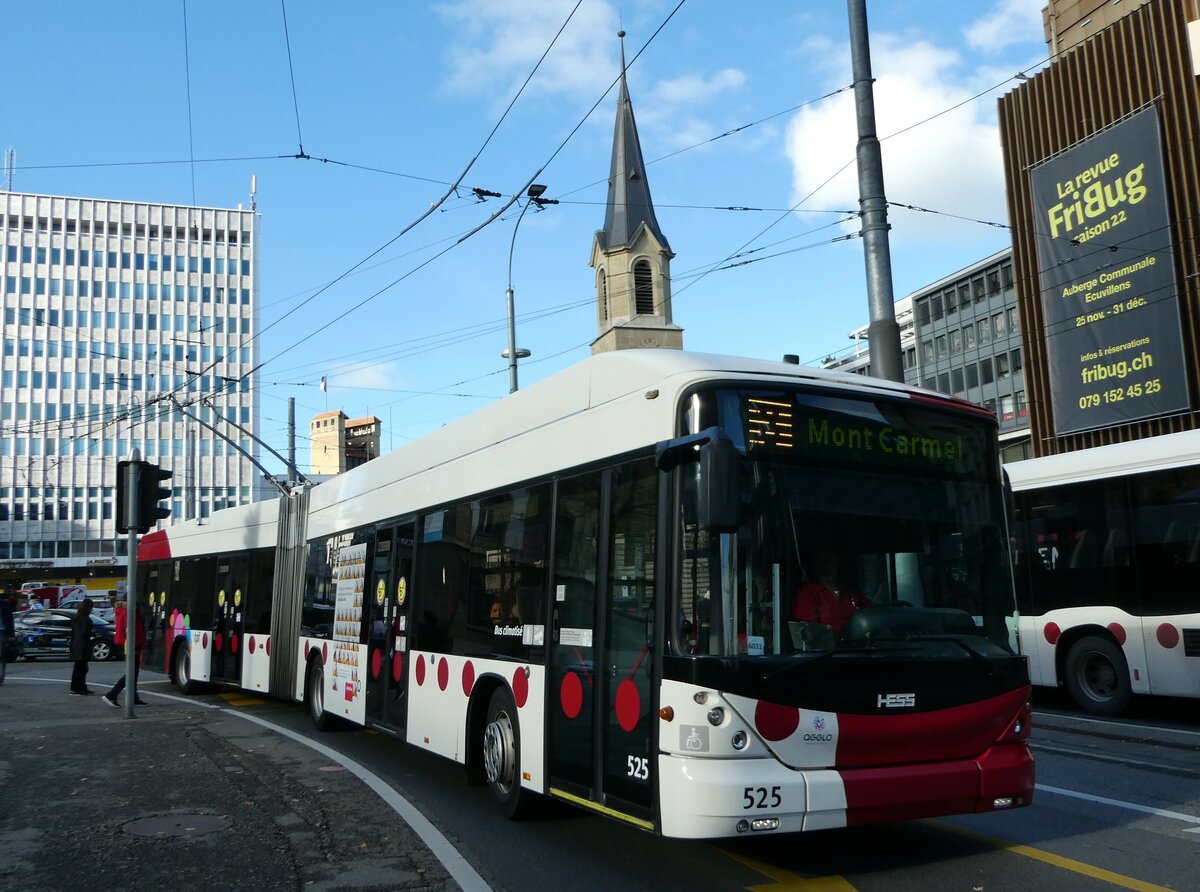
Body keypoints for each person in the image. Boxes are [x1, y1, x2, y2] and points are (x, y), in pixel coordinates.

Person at [791, 549, 871, 634]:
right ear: (812, 565)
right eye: (819, 561)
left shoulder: (851, 590)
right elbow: (806, 631)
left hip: (859, 644)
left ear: (838, 562)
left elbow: (873, 615)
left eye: (829, 560)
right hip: (828, 646)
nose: (825, 565)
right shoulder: (807, 593)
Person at [102, 600, 147, 707]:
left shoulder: (125, 613)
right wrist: (135, 643)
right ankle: (111, 695)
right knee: (131, 673)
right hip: (132, 645)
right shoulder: (129, 613)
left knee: (133, 673)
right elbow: (130, 630)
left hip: (131, 644)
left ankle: (133, 697)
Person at [69, 598, 95, 695]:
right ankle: (79, 688)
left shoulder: (77, 617)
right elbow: (85, 633)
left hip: (77, 644)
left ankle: (77, 687)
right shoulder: (86, 619)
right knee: (82, 668)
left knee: (78, 668)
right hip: (83, 645)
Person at [0, 592, 16, 685]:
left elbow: (10, 620)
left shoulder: (4, 604)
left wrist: (12, 634)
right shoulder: (4, 604)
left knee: (2, 655)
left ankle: (1, 676)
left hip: (2, 632)